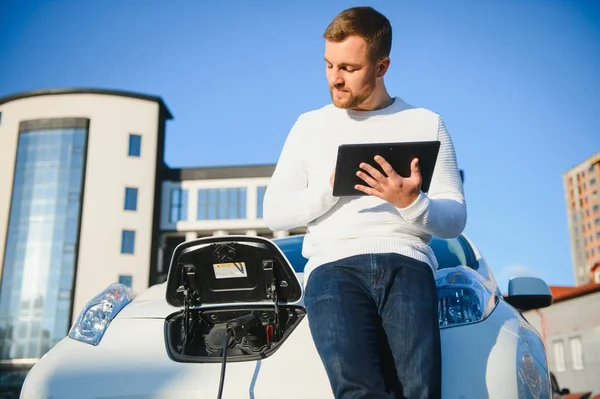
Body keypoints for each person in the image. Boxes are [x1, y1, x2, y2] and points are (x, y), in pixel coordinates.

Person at [262, 6, 466, 399]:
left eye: (349, 69)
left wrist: (412, 203)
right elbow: (274, 214)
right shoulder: (309, 126)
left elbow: (455, 217)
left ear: (381, 66)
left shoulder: (426, 121)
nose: (334, 79)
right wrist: (331, 187)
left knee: (419, 393)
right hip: (332, 269)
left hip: (407, 263)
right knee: (359, 393)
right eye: (328, 65)